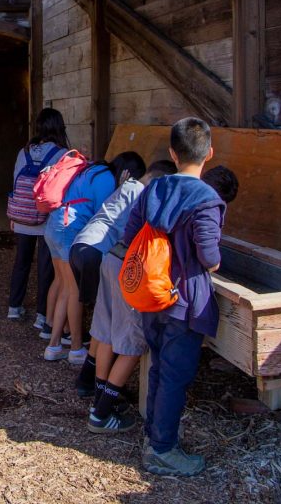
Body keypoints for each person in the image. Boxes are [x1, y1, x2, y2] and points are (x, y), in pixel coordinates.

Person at [121, 117, 226, 477]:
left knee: (158, 367)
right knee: (174, 377)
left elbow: (130, 232)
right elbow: (209, 256)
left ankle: (154, 436)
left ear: (172, 153)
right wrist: (211, 264)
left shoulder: (155, 188)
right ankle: (163, 450)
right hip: (184, 300)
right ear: (209, 153)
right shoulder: (206, 199)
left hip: (152, 295)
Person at [78, 159, 177, 433]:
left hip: (111, 258)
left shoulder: (133, 189)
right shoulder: (159, 197)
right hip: (131, 269)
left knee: (106, 332)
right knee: (134, 344)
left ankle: (99, 398)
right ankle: (101, 414)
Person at [42, 151, 144, 364]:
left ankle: (53, 344)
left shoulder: (92, 169)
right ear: (127, 173)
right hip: (71, 230)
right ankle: (77, 348)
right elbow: (105, 212)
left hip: (55, 225)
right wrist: (122, 188)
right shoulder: (107, 178)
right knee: (74, 292)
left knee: (64, 286)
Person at [7, 107, 68, 327]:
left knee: (21, 261)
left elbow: (15, 182)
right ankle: (42, 315)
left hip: (23, 217)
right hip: (46, 219)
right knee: (46, 266)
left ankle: (14, 307)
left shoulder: (23, 152)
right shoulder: (61, 155)